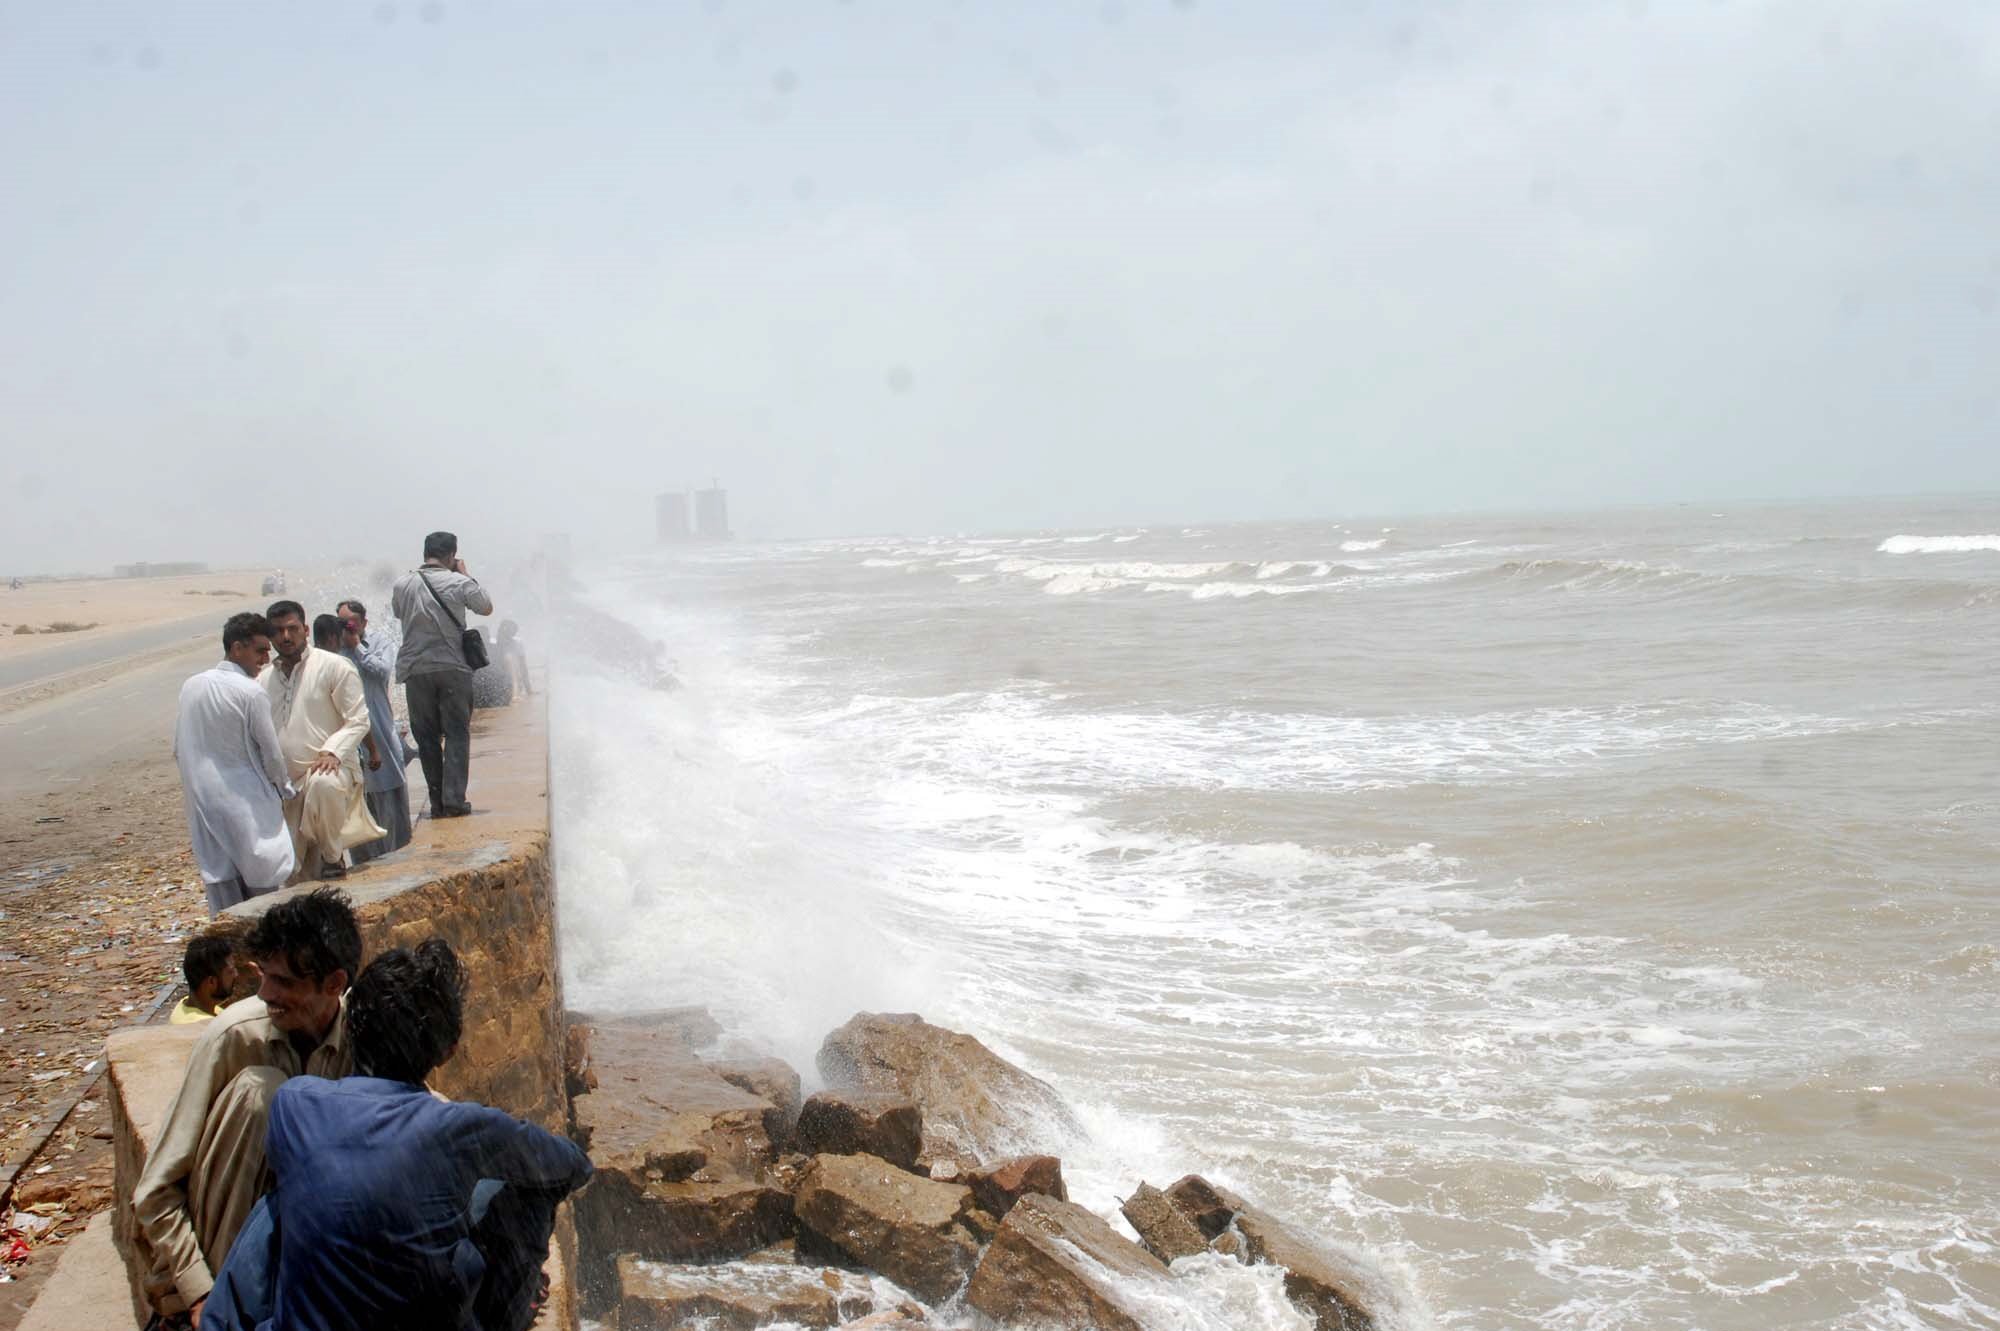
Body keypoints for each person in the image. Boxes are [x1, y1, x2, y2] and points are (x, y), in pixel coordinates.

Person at [201, 940, 590, 1331]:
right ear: (448, 1051)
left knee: (283, 1201)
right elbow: (572, 1165)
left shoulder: (294, 1103)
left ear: (351, 1027)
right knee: (518, 1187)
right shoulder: (463, 1127)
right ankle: (507, 1317)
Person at [133, 888, 361, 1327]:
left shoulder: (360, 1031)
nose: (267, 994)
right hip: (220, 1249)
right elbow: (155, 1192)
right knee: (266, 1095)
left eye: (285, 983)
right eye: (264, 978)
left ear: (334, 984)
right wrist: (199, 1291)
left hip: (308, 1243)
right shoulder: (235, 1036)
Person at [173, 613, 296, 913]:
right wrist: (285, 789)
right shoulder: (251, 692)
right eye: (260, 651)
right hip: (247, 804)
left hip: (203, 802)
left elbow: (179, 747)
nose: (266, 659)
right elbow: (271, 754)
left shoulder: (192, 685)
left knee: (223, 892)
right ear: (237, 648)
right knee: (263, 898)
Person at [263, 602, 381, 882]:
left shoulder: (335, 667)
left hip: (334, 770)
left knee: (322, 782)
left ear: (305, 630)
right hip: (288, 785)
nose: (286, 637)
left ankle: (333, 857)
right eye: (278, 631)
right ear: (270, 637)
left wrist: (332, 751)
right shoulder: (263, 680)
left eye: (292, 629)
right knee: (296, 877)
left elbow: (358, 719)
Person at [391, 532, 493, 818]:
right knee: (457, 733)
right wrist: (465, 573)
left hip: (415, 670)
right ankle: (454, 800)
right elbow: (485, 606)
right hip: (453, 668)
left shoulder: (402, 584)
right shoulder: (458, 581)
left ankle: (436, 802)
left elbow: (399, 613)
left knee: (426, 737)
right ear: (451, 556)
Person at [335, 598, 412, 863]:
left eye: (350, 623)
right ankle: (365, 861)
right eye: (341, 623)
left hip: (380, 732)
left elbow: (381, 673)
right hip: (351, 741)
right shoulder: (334, 651)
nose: (345, 629)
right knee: (359, 801)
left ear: (363, 623)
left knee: (391, 801)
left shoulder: (379, 644)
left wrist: (357, 648)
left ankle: (399, 855)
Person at [171, 935, 241, 1024]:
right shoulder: (206, 1026)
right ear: (211, 982)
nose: (236, 975)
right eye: (230, 972)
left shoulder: (186, 1004)